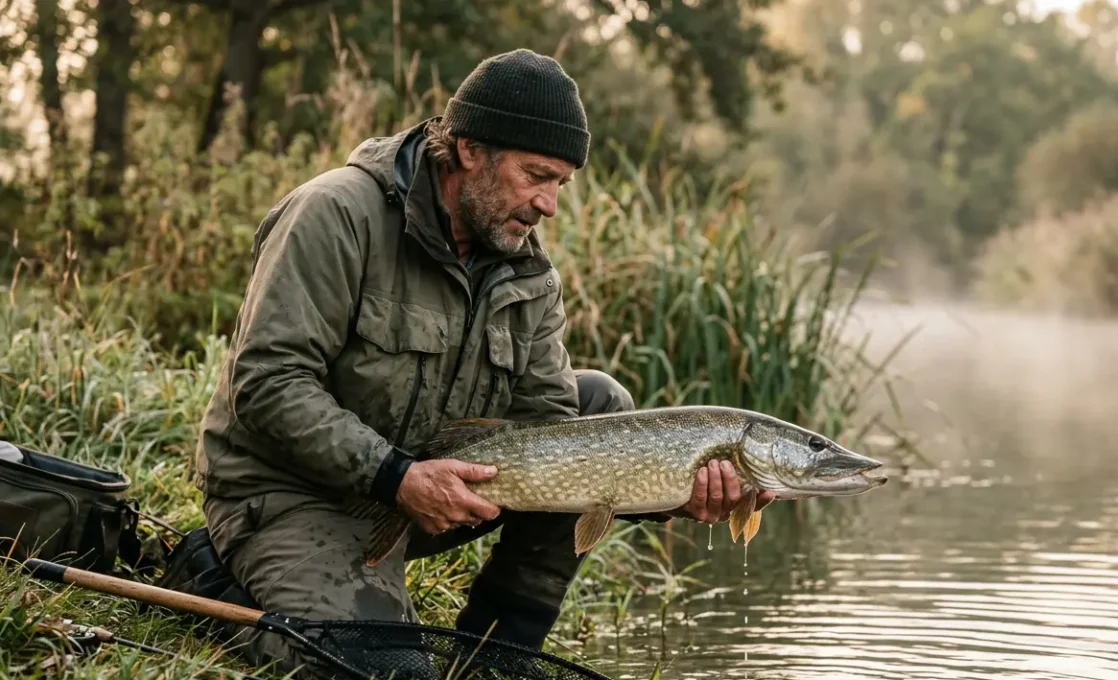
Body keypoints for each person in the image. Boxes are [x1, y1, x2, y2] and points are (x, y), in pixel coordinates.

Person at [191, 48, 774, 674]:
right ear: (469, 150)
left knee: (598, 404)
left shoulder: (528, 270)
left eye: (560, 184)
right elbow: (268, 383)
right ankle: (207, 577)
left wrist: (672, 493)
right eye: (536, 175)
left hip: (425, 487)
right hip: (291, 493)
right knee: (389, 672)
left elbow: (550, 430)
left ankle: (502, 652)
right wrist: (397, 477)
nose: (549, 203)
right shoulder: (334, 213)